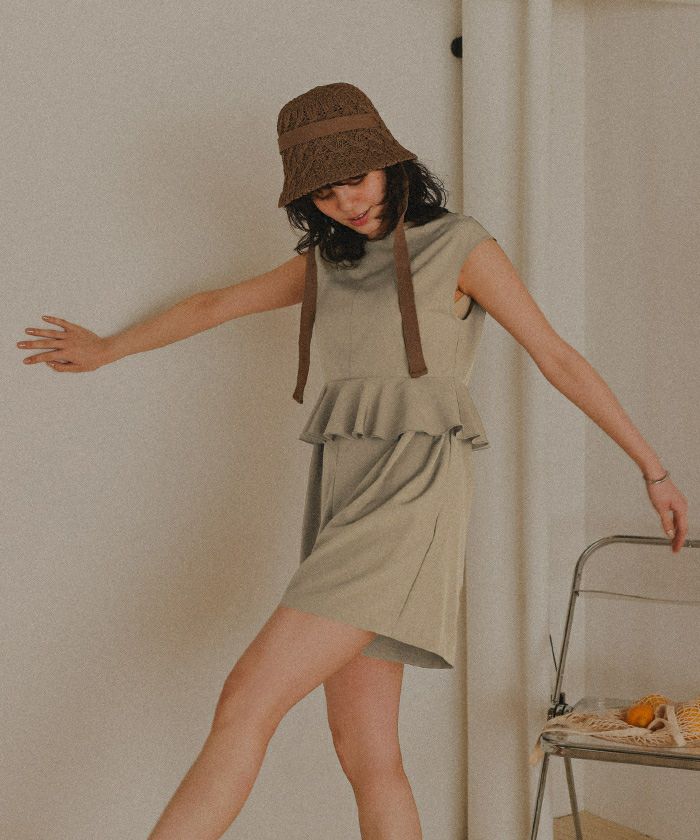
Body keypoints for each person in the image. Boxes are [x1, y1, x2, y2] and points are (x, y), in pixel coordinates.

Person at [16, 82, 688, 840]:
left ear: (392, 164)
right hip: (343, 495)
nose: (348, 203)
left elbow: (556, 356)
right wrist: (108, 348)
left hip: (412, 498)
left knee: (246, 698)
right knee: (366, 751)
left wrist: (652, 469)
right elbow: (215, 305)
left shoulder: (459, 245)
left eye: (358, 180)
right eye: (326, 194)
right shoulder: (328, 263)